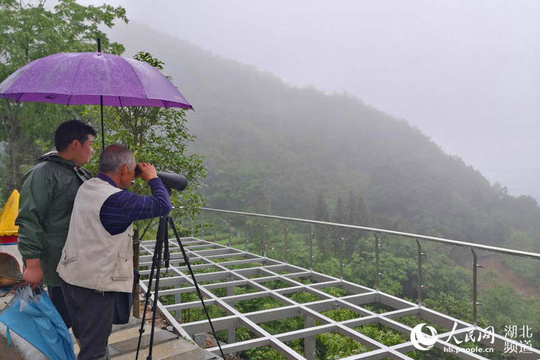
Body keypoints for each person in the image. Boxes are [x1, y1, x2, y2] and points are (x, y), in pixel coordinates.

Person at [57, 144, 171, 359]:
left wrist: (132, 177)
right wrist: (153, 178)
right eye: (133, 169)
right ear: (125, 169)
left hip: (70, 277)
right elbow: (163, 205)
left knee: (87, 339)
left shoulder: (88, 186)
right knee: (94, 352)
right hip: (93, 288)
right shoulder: (117, 200)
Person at [16, 119, 96, 329]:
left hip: (81, 265)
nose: (93, 150)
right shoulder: (42, 174)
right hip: (57, 267)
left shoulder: (81, 173)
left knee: (81, 323)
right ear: (76, 144)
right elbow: (28, 218)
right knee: (57, 325)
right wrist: (33, 265)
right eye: (90, 144)